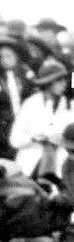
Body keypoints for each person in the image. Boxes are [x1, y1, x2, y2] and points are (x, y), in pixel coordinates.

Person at [9, 60, 74, 178]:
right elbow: (14, 140)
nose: (64, 84)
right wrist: (33, 138)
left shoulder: (71, 105)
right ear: (47, 83)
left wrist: (63, 138)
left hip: (63, 160)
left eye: (65, 80)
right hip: (31, 159)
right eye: (59, 80)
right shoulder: (30, 104)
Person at [0, 30, 32, 160]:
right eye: (1, 57)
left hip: (25, 123)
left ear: (17, 57)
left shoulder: (26, 76)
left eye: (9, 56)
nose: (4, 60)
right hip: (4, 127)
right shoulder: (1, 78)